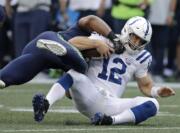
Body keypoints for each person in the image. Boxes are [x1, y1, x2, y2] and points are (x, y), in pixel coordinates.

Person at [32, 16, 175, 124]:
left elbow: (145, 86)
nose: (136, 43)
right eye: (134, 37)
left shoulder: (143, 57)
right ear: (127, 30)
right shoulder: (105, 39)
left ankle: (110, 120)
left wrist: (157, 91)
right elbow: (71, 44)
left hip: (111, 103)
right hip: (87, 92)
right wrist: (97, 43)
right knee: (74, 74)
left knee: (154, 105)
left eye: (141, 41)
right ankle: (45, 104)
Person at [0, 15, 124, 89]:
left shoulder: (88, 63)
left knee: (8, 80)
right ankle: (62, 49)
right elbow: (91, 20)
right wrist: (109, 39)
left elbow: (68, 91)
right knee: (81, 65)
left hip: (39, 54)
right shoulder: (90, 33)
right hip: (53, 39)